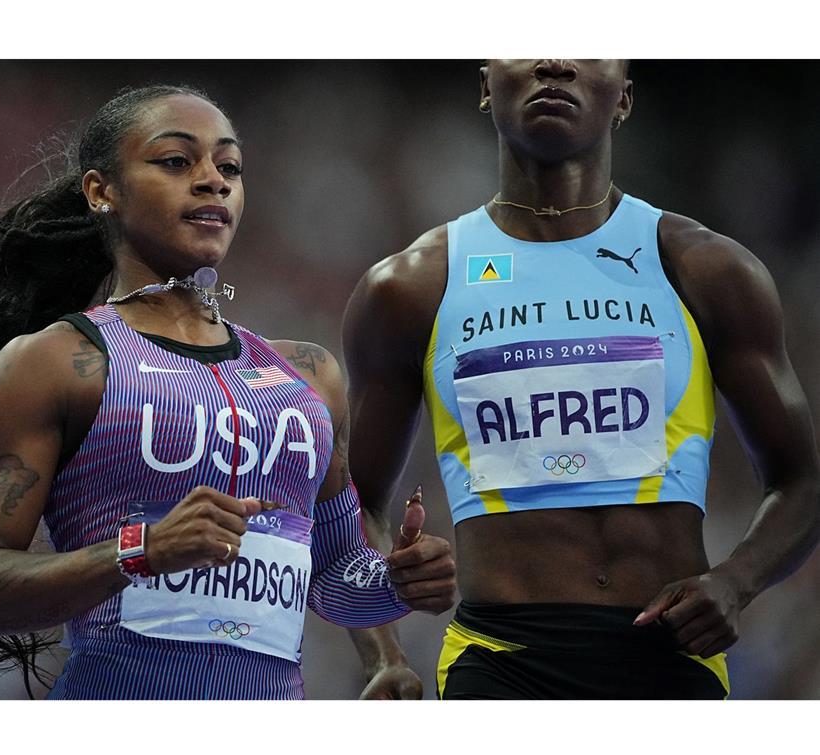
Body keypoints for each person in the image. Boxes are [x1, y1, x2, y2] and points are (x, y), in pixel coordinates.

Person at [0, 84, 456, 699]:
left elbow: (330, 576)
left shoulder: (308, 377)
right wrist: (145, 551)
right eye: (176, 161)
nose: (212, 181)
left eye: (229, 167)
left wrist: (394, 588)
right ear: (101, 191)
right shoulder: (57, 362)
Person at [344, 59, 820, 699]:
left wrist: (736, 581)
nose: (553, 61)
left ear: (624, 96)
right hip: (498, 665)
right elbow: (348, 506)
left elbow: (801, 481)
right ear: (486, 85)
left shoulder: (707, 269)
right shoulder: (408, 288)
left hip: (668, 662)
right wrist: (383, 655)